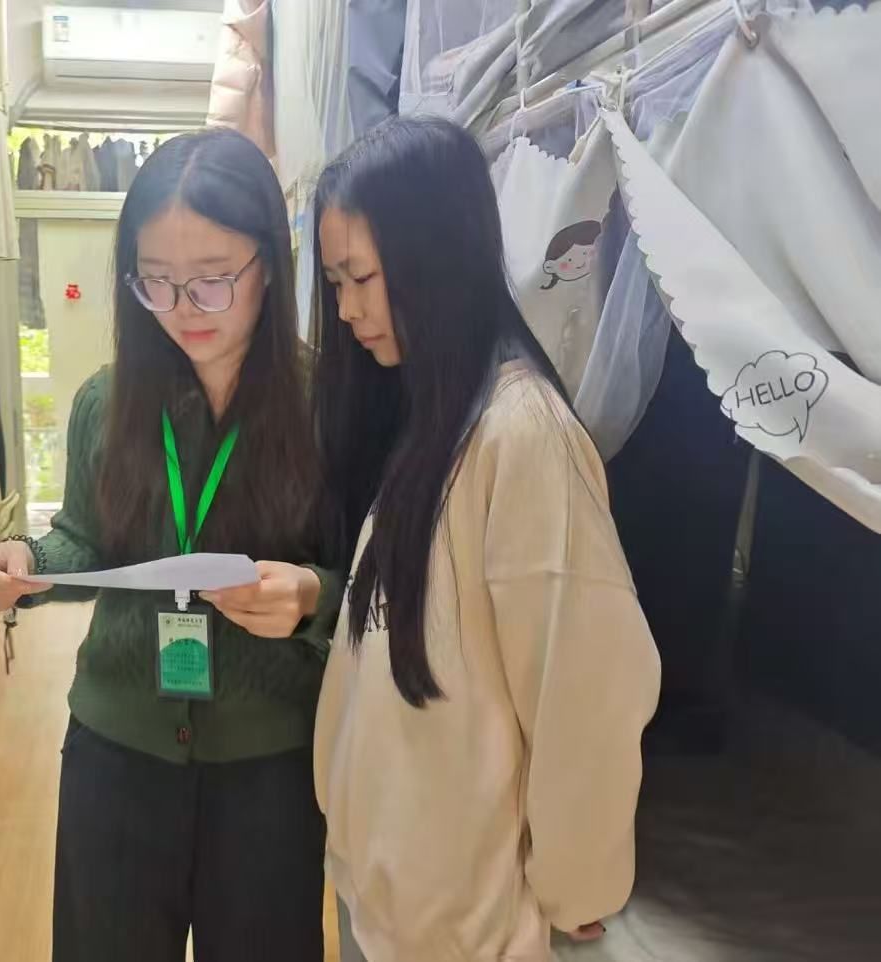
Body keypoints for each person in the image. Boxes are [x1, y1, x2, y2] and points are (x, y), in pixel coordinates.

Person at [0, 128, 340, 962]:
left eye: (212, 279)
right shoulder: (108, 401)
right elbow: (84, 542)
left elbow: (376, 579)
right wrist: (26, 564)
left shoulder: (329, 404)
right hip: (116, 754)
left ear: (270, 264)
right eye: (156, 281)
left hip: (271, 765)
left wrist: (314, 595)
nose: (182, 309)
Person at [310, 116, 662, 962]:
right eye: (334, 282)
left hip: (464, 925)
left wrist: (577, 882)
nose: (347, 310)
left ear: (435, 256)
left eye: (361, 277)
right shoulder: (431, 421)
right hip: (389, 898)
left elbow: (583, 695)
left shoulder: (523, 436)